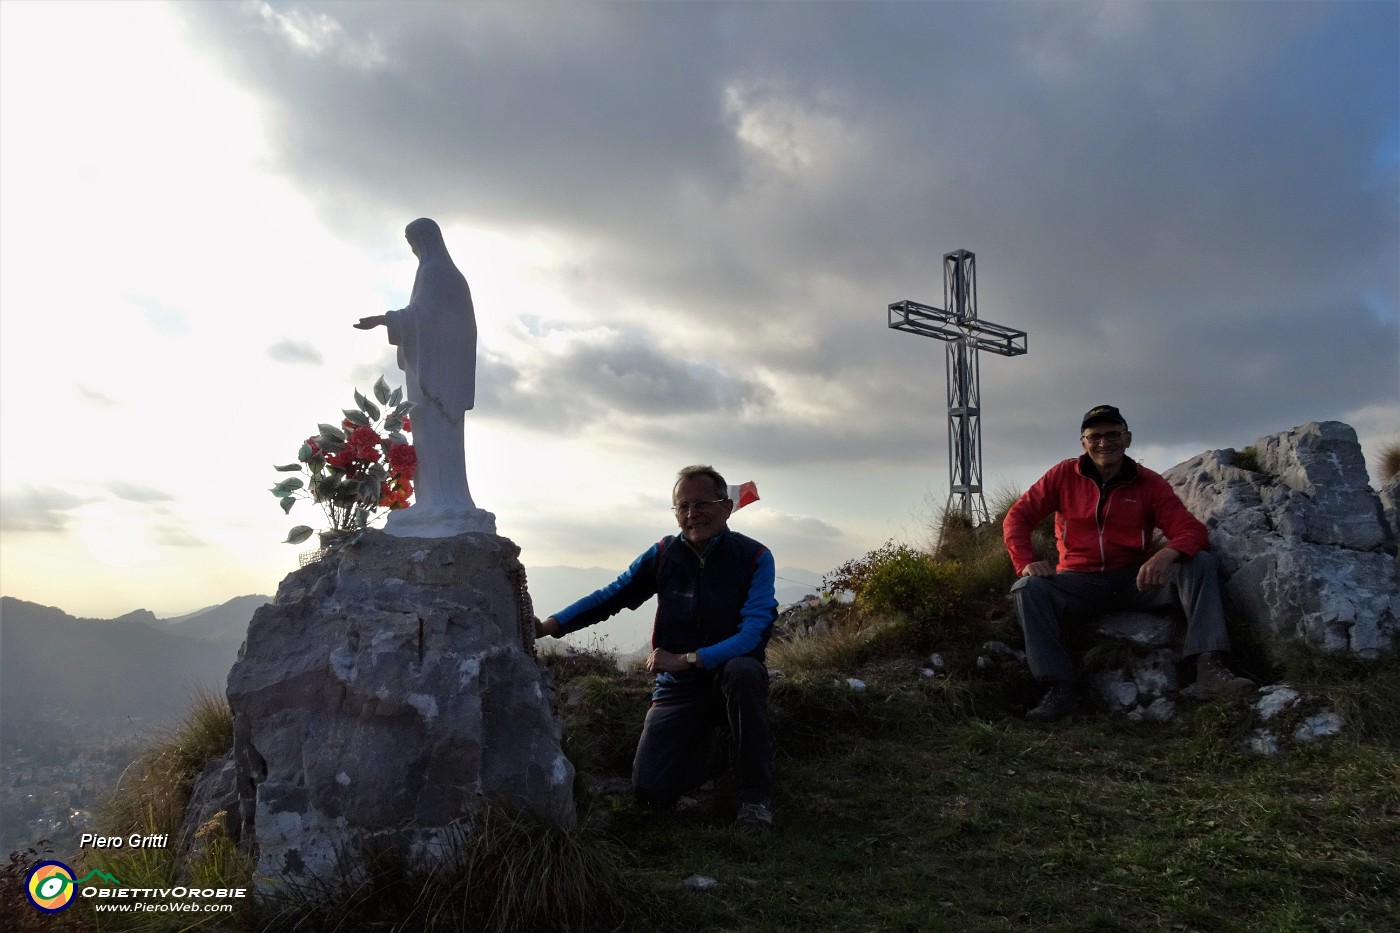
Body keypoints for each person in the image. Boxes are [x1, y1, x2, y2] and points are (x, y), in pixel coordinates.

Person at [535, 465, 779, 829]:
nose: (692, 514)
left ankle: (754, 796)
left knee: (745, 671)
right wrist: (551, 626)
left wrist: (690, 658)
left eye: (702, 503)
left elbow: (753, 634)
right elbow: (612, 595)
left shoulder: (755, 557)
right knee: (651, 794)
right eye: (682, 507)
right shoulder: (665, 553)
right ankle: (719, 754)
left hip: (727, 675)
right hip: (679, 688)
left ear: (726, 507)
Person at [1003, 405, 1253, 723]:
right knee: (1027, 589)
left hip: (1135, 581)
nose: (1104, 442)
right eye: (1095, 436)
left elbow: (1192, 531)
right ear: (1083, 442)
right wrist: (1026, 562)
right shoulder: (1063, 476)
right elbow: (1017, 517)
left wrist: (1166, 553)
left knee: (1199, 563)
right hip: (1078, 581)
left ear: (1128, 439)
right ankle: (1059, 688)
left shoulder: (1148, 483)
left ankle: (1210, 668)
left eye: (1113, 434)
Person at [355, 217, 494, 536]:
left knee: (436, 436)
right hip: (432, 373)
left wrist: (384, 319)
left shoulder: (436, 272)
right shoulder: (443, 273)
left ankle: (442, 500)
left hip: (437, 377)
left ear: (425, 239)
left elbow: (427, 318)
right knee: (430, 438)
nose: (412, 247)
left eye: (412, 240)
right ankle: (432, 499)